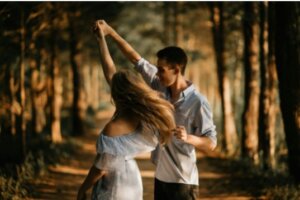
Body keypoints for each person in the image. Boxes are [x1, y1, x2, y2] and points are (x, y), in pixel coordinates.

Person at [96, 20, 217, 200]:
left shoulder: (197, 102)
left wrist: (188, 138)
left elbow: (212, 143)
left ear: (176, 70)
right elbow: (135, 58)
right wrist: (110, 33)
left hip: (183, 181)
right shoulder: (159, 85)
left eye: (161, 70)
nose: (156, 74)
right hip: (160, 177)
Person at [77, 21, 176, 200]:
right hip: (132, 178)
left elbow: (101, 168)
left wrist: (83, 189)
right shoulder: (143, 114)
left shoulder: (113, 128)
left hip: (115, 185)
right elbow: (110, 71)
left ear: (117, 93)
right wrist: (102, 40)